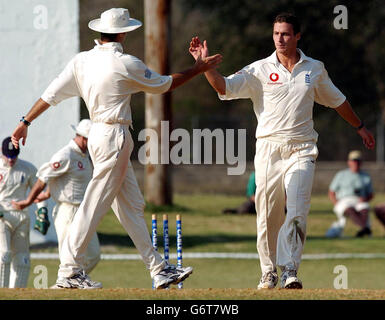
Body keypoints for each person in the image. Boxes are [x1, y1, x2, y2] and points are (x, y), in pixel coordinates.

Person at [11, 8, 222, 289]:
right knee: (95, 203)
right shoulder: (125, 63)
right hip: (114, 136)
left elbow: (50, 95)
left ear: (101, 31)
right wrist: (198, 68)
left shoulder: (81, 61)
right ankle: (69, 272)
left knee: (131, 207)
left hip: (98, 134)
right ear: (123, 32)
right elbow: (165, 85)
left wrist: (25, 121)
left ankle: (158, 269)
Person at [189, 12, 375, 289]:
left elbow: (338, 101)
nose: (280, 39)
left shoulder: (314, 69)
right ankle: (268, 271)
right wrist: (204, 67)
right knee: (267, 213)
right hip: (268, 150)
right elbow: (224, 87)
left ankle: (290, 270)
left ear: (297, 36)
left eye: (286, 33)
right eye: (276, 33)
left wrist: (359, 126)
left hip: (302, 149)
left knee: (298, 210)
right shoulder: (259, 69)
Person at [12, 120, 101, 278]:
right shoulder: (66, 155)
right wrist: (28, 201)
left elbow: (65, 181)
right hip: (68, 211)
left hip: (84, 212)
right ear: (84, 138)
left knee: (93, 256)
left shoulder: (85, 155)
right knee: (68, 260)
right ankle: (65, 286)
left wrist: (48, 193)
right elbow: (43, 177)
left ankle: (70, 284)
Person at [0, 137, 46, 288]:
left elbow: (39, 192)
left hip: (21, 217)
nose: (11, 160)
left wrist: (42, 212)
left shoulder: (28, 168)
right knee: (4, 255)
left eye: (14, 156)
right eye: (8, 156)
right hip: (2, 215)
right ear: (2, 152)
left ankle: (17, 296)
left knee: (22, 260)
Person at [325, 150, 373, 238]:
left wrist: (365, 199)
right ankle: (365, 228)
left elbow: (370, 194)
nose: (356, 163)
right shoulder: (341, 175)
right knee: (349, 209)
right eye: (354, 160)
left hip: (359, 200)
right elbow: (331, 192)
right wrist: (337, 203)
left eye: (358, 161)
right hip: (344, 200)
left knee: (365, 208)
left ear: (361, 162)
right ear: (349, 162)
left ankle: (363, 229)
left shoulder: (365, 176)